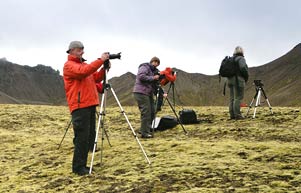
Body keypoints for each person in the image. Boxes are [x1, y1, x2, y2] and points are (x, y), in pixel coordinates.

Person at [63, 40, 109, 175]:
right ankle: (78, 168)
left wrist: (104, 68)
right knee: (81, 137)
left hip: (88, 104)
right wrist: (100, 60)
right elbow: (83, 72)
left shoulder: (84, 65)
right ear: (71, 51)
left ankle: (83, 165)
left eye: (82, 49)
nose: (82, 52)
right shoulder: (69, 66)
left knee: (88, 136)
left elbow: (96, 77)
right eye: (79, 50)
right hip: (79, 105)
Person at [133, 56, 163, 138]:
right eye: (155, 62)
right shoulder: (144, 67)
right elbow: (141, 76)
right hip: (141, 92)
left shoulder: (153, 71)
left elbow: (154, 83)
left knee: (153, 111)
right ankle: (144, 133)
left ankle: (145, 128)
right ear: (152, 61)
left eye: (158, 63)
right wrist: (153, 77)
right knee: (146, 111)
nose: (156, 64)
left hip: (148, 93)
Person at [228, 46, 249, 120]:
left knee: (232, 98)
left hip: (230, 80)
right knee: (238, 97)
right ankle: (237, 115)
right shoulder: (241, 58)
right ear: (242, 51)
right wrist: (246, 76)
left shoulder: (231, 59)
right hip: (238, 80)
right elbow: (243, 68)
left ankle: (232, 115)